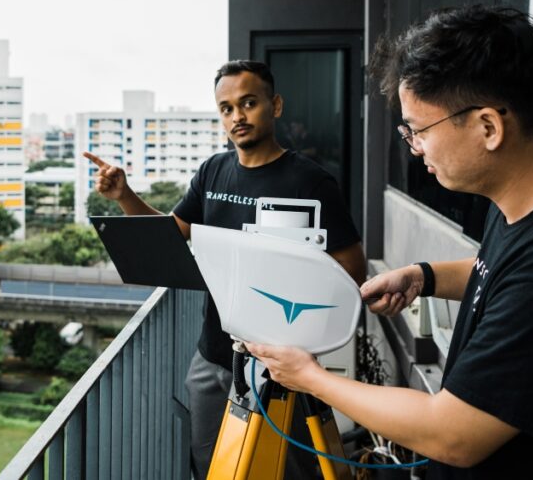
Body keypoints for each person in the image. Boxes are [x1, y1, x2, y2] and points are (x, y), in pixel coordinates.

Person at [246, 5, 533, 477]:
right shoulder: (530, 205)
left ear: (488, 127)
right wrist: (423, 277)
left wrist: (308, 376)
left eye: (418, 130)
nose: (415, 148)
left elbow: (452, 434)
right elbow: (500, 273)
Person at [85, 60, 366, 480]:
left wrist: (301, 306)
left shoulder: (310, 181)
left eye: (249, 103)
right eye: (227, 108)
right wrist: (125, 196)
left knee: (290, 471)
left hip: (280, 363)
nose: (237, 116)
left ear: (276, 105)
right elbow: (173, 234)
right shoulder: (213, 170)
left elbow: (352, 267)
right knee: (209, 464)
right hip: (213, 354)